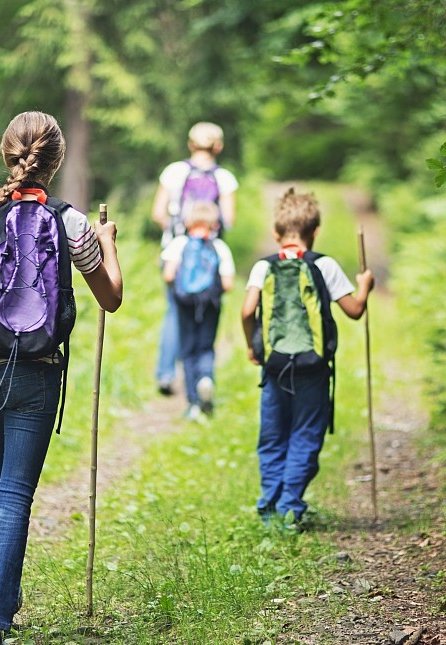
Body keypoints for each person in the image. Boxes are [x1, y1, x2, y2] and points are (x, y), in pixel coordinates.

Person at [0, 111, 122, 645]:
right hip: (36, 374)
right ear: (55, 162)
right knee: (14, 492)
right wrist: (107, 243)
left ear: (5, 153)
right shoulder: (72, 222)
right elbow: (111, 297)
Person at [240, 188, 373, 528]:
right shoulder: (324, 265)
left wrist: (253, 345)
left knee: (272, 437)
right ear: (316, 231)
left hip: (274, 366)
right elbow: (354, 311)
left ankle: (270, 509)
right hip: (313, 368)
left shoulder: (263, 267)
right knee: (305, 435)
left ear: (275, 233)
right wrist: (364, 286)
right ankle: (290, 508)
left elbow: (247, 310)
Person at [151, 122, 238, 396]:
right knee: (208, 313)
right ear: (219, 147)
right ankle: (204, 371)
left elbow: (157, 212)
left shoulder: (175, 171)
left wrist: (176, 234)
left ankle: (166, 375)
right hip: (211, 258)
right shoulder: (225, 178)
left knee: (174, 312)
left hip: (176, 252)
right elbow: (229, 220)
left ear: (190, 144)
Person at [161, 201, 235, 421]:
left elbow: (168, 275)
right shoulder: (219, 247)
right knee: (206, 347)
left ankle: (193, 402)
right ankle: (206, 379)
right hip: (211, 306)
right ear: (214, 225)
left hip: (185, 306)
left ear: (188, 221)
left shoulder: (179, 243)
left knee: (188, 350)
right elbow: (228, 284)